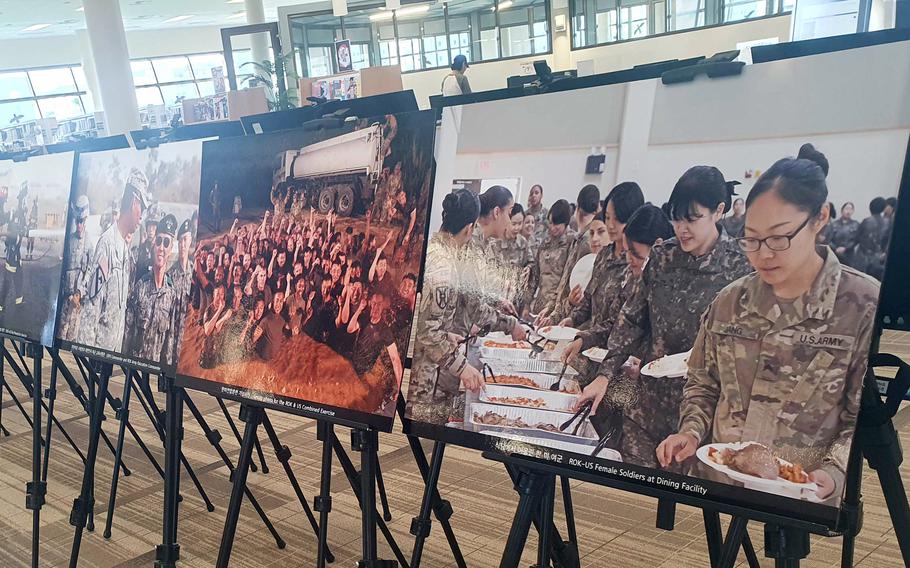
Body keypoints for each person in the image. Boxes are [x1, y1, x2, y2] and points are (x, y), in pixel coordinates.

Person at [657, 146, 878, 503]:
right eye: (752, 239)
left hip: (803, 493)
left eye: (779, 237)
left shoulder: (861, 306)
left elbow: (862, 416)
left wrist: (835, 471)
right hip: (719, 487)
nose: (763, 254)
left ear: (820, 218)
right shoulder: (730, 302)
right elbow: (703, 381)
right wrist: (692, 432)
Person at [575, 165, 753, 469]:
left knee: (693, 502)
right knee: (631, 495)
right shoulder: (662, 257)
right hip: (647, 408)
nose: (682, 228)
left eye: (692, 218)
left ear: (719, 211)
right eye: (677, 218)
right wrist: (605, 375)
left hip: (702, 416)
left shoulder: (741, 268)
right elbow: (631, 321)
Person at [406, 189, 525, 424]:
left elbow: (428, 319)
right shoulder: (443, 265)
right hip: (428, 381)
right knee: (424, 439)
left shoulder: (438, 251)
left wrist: (446, 333)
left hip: (433, 368)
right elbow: (429, 334)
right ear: (469, 229)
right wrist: (463, 368)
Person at [559, 183, 646, 355]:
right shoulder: (604, 255)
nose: (611, 225)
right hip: (592, 351)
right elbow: (589, 298)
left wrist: (586, 337)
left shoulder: (637, 263)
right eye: (607, 218)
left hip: (618, 356)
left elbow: (622, 321)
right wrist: (572, 318)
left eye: (617, 219)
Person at [74, 168, 149, 351]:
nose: (142, 217)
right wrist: (87, 362)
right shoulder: (107, 245)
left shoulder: (124, 249)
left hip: (111, 355)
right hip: (97, 361)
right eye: (143, 209)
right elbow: (91, 310)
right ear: (134, 202)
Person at [541, 184, 602, 324]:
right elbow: (565, 279)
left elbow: (576, 290)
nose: (595, 238)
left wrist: (556, 313)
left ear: (578, 209)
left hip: (573, 317)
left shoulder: (588, 241)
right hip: (563, 311)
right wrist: (552, 309)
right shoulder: (578, 238)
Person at [123, 214, 179, 363]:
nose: (161, 248)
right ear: (154, 244)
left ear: (171, 248)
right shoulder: (140, 286)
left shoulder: (172, 294)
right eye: (159, 241)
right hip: (133, 368)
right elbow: (127, 332)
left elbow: (170, 340)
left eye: (166, 243)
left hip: (153, 372)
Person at [528, 200, 572, 315]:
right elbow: (535, 276)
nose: (552, 227)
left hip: (558, 309)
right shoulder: (544, 244)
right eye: (550, 223)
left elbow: (567, 282)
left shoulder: (571, 245)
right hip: (540, 305)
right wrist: (527, 304)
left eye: (556, 224)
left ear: (565, 223)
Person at [60, 195, 93, 339]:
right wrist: (66, 294)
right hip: (65, 299)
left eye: (82, 222)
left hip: (77, 301)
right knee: (60, 333)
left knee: (72, 337)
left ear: (85, 221)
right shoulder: (69, 241)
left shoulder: (89, 244)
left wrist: (79, 293)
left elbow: (89, 271)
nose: (79, 225)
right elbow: (63, 268)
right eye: (77, 222)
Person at [853, 196, 888, 279]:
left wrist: (847, 248)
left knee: (858, 279)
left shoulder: (866, 221)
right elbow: (887, 241)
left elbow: (856, 238)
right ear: (883, 208)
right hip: (877, 257)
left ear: (870, 207)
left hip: (862, 257)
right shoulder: (887, 222)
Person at [827, 202, 859, 267]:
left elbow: (856, 240)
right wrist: (835, 248)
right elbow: (828, 239)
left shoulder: (856, 224)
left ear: (853, 211)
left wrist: (845, 248)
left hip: (849, 256)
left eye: (851, 209)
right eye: (847, 209)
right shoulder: (834, 224)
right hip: (834, 254)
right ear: (842, 210)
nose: (848, 211)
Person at [134, 218, 158, 283]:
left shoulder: (159, 251)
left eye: (153, 227)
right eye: (149, 226)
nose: (151, 230)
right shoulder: (140, 250)